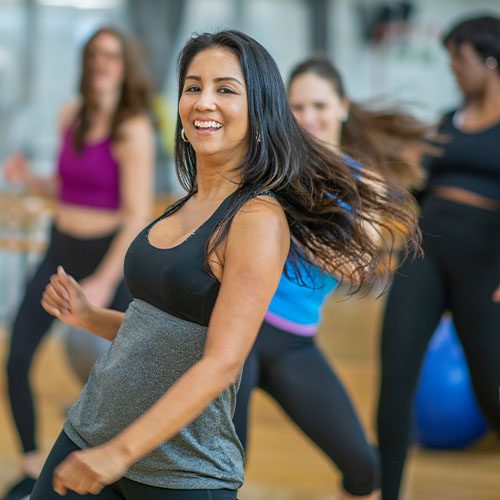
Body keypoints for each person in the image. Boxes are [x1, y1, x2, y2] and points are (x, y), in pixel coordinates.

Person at [29, 30, 419, 499]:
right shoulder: (188, 203)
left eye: (225, 89)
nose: (203, 102)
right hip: (93, 431)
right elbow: (162, 335)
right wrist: (88, 316)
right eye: (192, 87)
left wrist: (118, 453)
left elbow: (221, 361)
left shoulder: (262, 214)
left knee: (357, 466)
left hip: (248, 382)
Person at [232, 56, 429, 499]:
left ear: (342, 106)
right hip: (237, 329)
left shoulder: (367, 186)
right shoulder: (268, 165)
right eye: (297, 108)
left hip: (295, 342)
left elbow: (356, 267)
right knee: (224, 471)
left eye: (319, 105)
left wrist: (288, 226)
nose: (308, 118)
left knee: (364, 470)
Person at [2, 26, 155, 500]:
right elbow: (71, 186)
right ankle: (31, 465)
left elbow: (135, 212)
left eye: (111, 56)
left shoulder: (133, 128)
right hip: (59, 250)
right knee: (18, 357)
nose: (101, 64)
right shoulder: (71, 115)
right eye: (94, 55)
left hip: (109, 256)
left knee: (121, 378)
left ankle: (115, 474)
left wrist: (107, 278)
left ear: (125, 65)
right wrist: (31, 179)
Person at [376, 15, 500, 500]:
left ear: (489, 60)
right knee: (396, 379)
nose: (452, 66)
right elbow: (417, 192)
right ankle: (387, 492)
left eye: (459, 57)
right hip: (424, 252)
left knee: (493, 390)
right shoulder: (449, 121)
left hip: (486, 262)